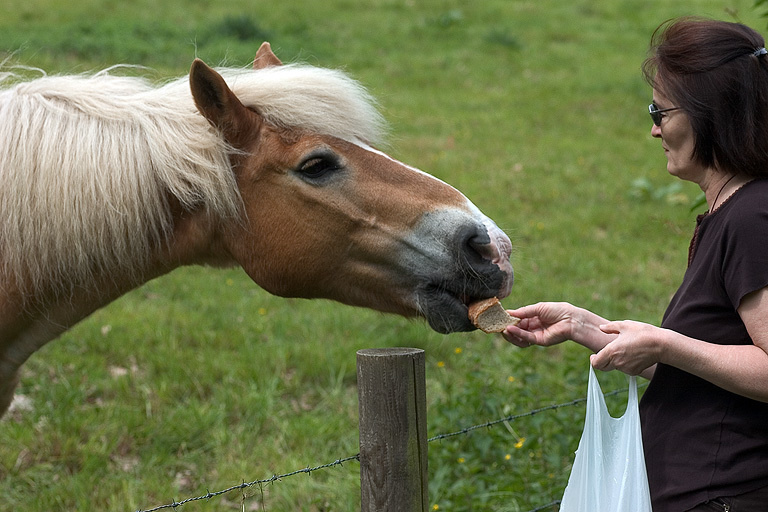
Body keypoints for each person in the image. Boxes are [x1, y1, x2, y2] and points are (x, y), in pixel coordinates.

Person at [502, 17, 768, 512]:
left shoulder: (753, 217)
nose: (653, 128)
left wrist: (665, 341)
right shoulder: (727, 212)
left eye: (660, 110)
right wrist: (581, 324)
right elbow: (705, 365)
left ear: (709, 113)